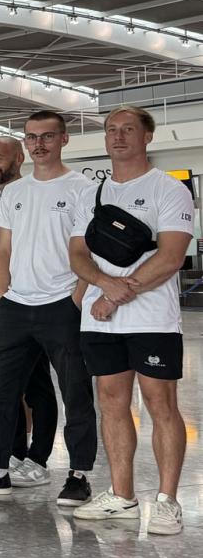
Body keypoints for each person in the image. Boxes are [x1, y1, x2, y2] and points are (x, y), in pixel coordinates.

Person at [0, 111, 97, 507]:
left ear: (64, 139)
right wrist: (5, 293)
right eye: (32, 137)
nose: (39, 144)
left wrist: (77, 297)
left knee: (75, 392)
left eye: (47, 136)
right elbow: (3, 249)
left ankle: (79, 475)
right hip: (15, 306)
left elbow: (87, 251)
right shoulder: (15, 192)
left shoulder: (82, 188)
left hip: (61, 305)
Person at [69, 107, 190, 531]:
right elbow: (78, 253)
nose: (118, 137)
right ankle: (122, 496)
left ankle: (167, 500)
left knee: (161, 405)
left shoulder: (169, 190)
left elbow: (172, 256)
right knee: (112, 403)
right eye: (111, 130)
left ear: (147, 136)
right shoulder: (91, 193)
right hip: (100, 322)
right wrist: (103, 283)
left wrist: (118, 295)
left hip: (153, 319)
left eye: (128, 130)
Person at [0, 137, 60, 483]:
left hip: (30, 305)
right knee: (5, 388)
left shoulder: (34, 193)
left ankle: (39, 459)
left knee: (37, 387)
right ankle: (13, 454)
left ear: (18, 158)